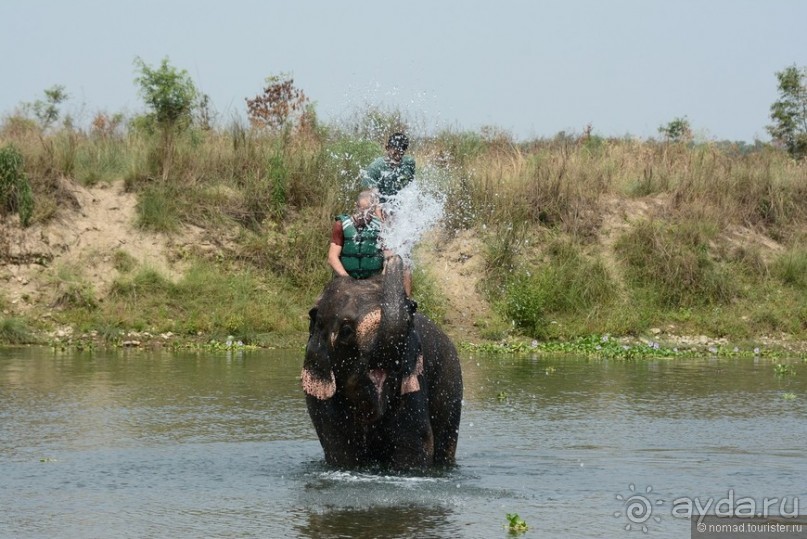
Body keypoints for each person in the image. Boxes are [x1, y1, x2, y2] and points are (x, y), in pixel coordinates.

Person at [328, 190, 385, 280]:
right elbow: (332, 257)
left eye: (368, 210)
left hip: (374, 282)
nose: (365, 213)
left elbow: (389, 257)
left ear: (373, 208)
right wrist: (347, 279)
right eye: (362, 209)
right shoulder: (341, 225)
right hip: (345, 280)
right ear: (357, 206)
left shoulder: (381, 227)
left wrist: (380, 279)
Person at [360, 132, 416, 204]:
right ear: (387, 148)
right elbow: (368, 198)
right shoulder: (375, 168)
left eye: (401, 154)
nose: (397, 157)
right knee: (364, 202)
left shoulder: (409, 163)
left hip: (399, 207)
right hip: (380, 206)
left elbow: (410, 188)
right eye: (395, 153)